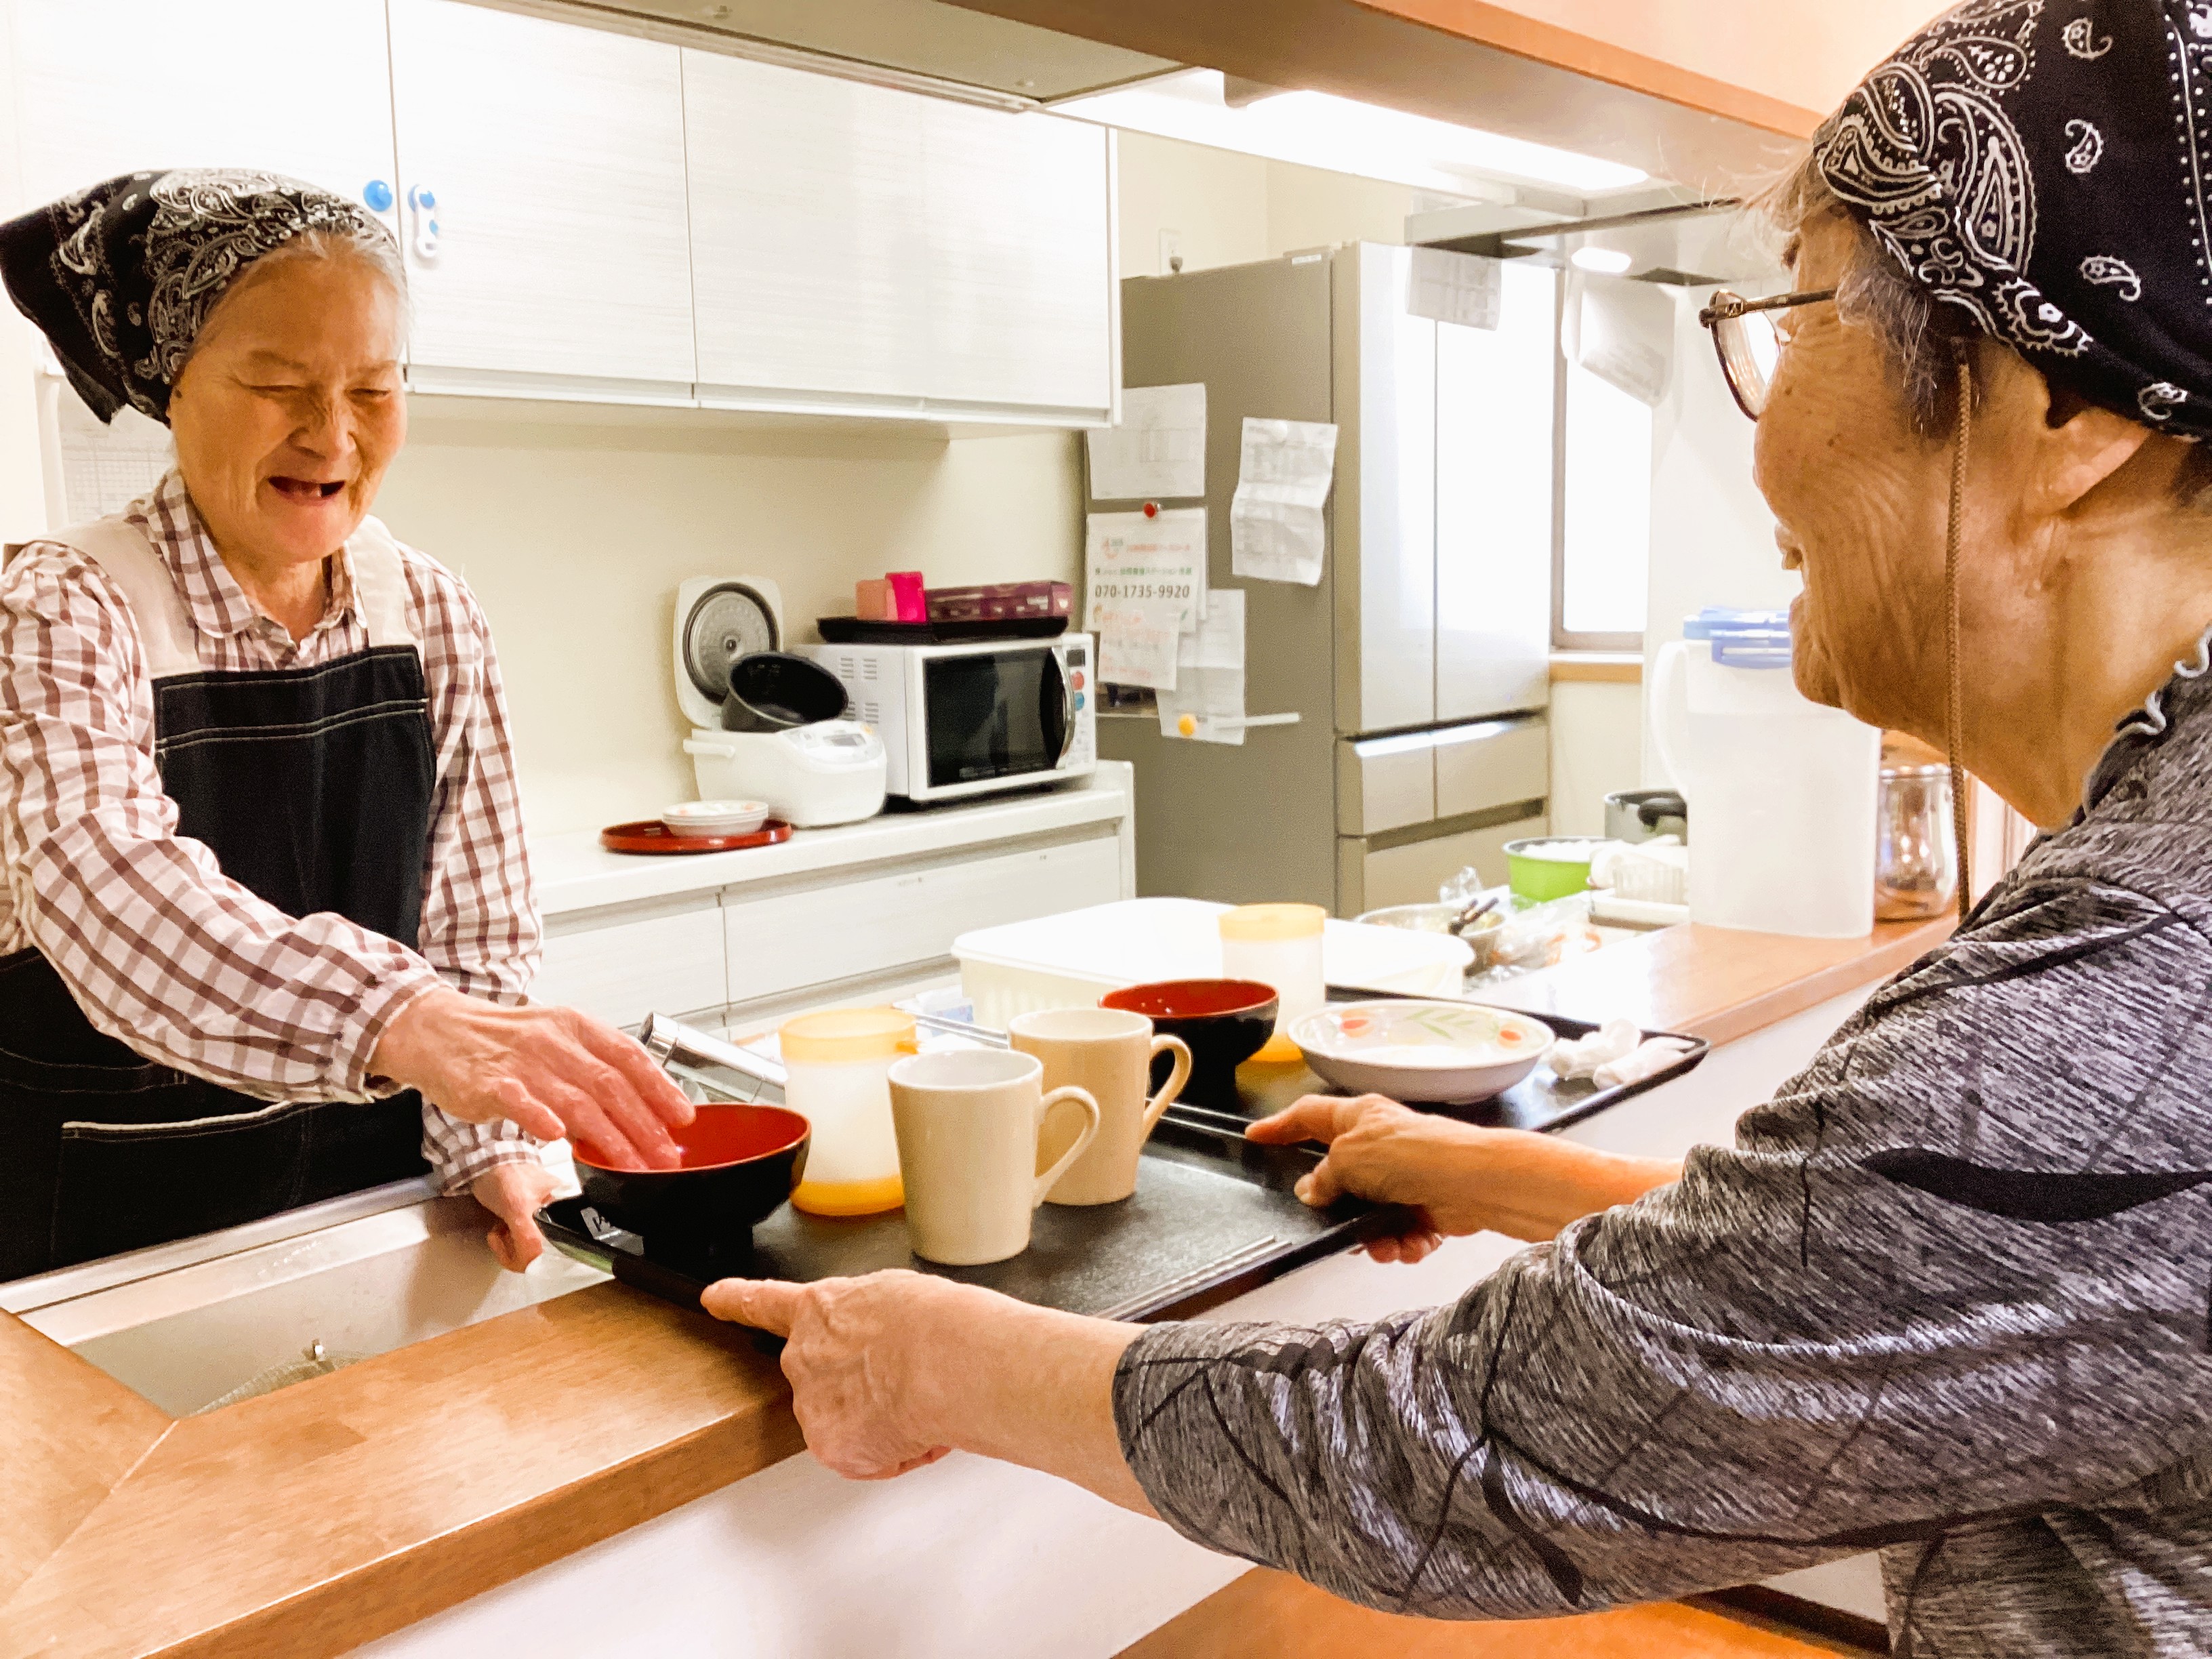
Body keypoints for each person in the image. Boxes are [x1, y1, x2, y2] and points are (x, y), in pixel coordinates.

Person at [702, 3, 2212, 1650]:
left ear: (2071, 415)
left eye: (1801, 320)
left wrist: (923, 1354)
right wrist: (1502, 1174)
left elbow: (1455, 1450)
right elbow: (1948, 1264)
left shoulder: (2140, 968)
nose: (1756, 428)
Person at [0, 169, 693, 1284]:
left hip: (369, 1219)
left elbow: (474, 927)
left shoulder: (431, 613)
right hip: (108, 1246)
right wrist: (406, 1022)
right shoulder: (63, 604)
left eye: (373, 388)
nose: (331, 434)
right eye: (278, 383)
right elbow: (105, 889)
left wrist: (489, 1139)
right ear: (176, 387)